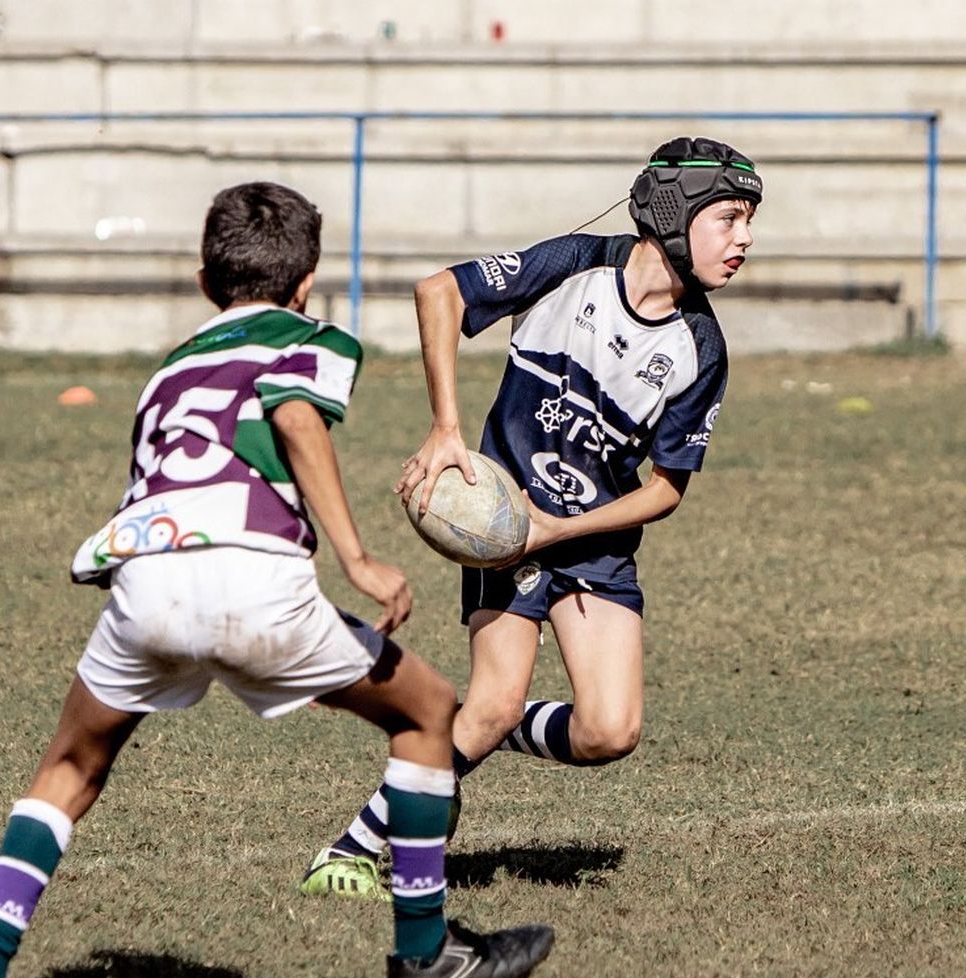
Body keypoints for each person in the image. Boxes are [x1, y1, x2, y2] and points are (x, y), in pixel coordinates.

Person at [0, 181, 553, 978]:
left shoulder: (168, 370)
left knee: (70, 769)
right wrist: (359, 559)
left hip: (146, 577)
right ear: (308, 282)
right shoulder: (309, 335)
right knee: (430, 712)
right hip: (256, 580)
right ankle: (423, 957)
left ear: (202, 283)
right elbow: (295, 417)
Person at [300, 137, 761, 899]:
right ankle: (350, 850)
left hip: (591, 541)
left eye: (749, 223)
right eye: (730, 218)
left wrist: (558, 532)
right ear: (676, 215)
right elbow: (437, 291)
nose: (744, 239)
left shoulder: (699, 347)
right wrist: (447, 428)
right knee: (492, 698)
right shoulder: (578, 264)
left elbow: (667, 488)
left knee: (609, 731)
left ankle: (478, 727)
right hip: (501, 526)